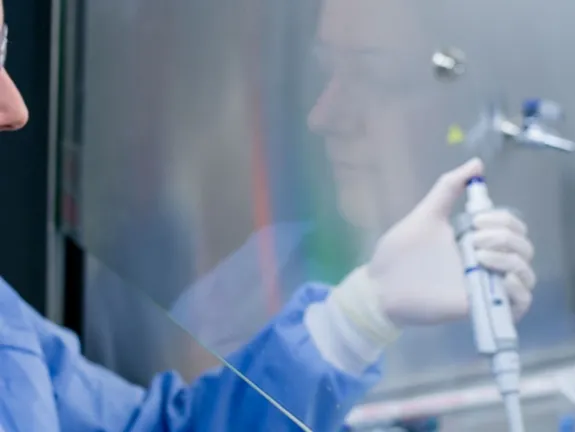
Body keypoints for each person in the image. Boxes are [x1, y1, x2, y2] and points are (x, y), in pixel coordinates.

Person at [0, 2, 536, 432]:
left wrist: (362, 312)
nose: (15, 107)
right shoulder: (240, 290)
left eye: (0, 49)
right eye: (329, 72)